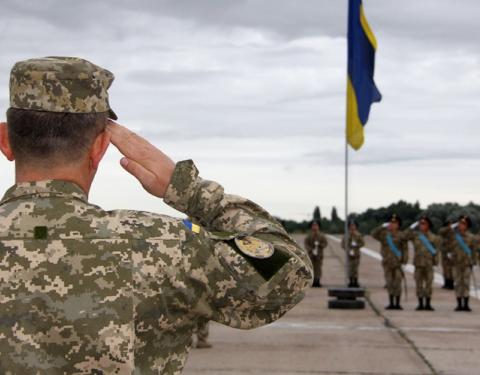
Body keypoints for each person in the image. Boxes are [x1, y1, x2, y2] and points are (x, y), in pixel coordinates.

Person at [0, 57, 313, 374]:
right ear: (100, 148)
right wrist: (189, 190)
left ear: (5, 140)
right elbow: (288, 274)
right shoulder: (161, 245)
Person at [404, 216, 440, 311]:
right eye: (420, 223)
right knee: (419, 284)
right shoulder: (415, 235)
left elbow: (436, 250)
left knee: (428, 285)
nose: (421, 225)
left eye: (423, 223)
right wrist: (411, 227)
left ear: (428, 225)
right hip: (418, 264)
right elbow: (404, 236)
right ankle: (420, 304)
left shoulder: (434, 237)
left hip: (429, 265)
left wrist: (436, 262)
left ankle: (428, 304)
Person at [371, 214, 408, 310]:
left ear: (398, 225)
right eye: (391, 222)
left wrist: (404, 262)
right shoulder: (384, 234)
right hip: (387, 263)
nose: (392, 224)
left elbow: (405, 249)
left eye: (395, 223)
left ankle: (397, 304)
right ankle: (391, 303)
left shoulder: (402, 235)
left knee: (397, 283)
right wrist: (382, 226)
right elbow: (373, 234)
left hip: (398, 264)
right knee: (390, 283)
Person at [447, 216, 477, 312]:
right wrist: (453, 226)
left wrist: (473, 262)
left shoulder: (471, 237)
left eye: (463, 223)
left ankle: (466, 305)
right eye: (460, 223)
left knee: (466, 283)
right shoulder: (454, 236)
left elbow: (474, 251)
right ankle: (459, 304)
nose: (461, 225)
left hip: (467, 264)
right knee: (457, 284)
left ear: (467, 225)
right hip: (456, 264)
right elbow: (446, 237)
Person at [304, 220, 328, 287]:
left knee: (318, 268)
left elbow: (325, 243)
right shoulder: (309, 236)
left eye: (316, 225)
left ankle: (318, 281)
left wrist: (320, 245)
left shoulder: (321, 236)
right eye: (313, 226)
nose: (314, 227)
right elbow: (306, 244)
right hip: (311, 255)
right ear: (311, 227)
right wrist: (310, 249)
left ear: (318, 227)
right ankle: (313, 281)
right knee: (312, 268)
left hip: (319, 255)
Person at [341, 220, 365, 287]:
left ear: (356, 226)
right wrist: (347, 248)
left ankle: (355, 281)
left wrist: (357, 245)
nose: (352, 227)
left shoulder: (359, 235)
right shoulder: (346, 235)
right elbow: (343, 244)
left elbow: (363, 243)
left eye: (353, 225)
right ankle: (351, 281)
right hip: (349, 255)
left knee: (355, 268)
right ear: (349, 227)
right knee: (349, 268)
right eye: (351, 226)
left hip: (356, 254)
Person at [438, 220, 456, 290]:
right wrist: (449, 228)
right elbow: (440, 232)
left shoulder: (454, 231)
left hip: (452, 252)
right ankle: (446, 283)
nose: (451, 226)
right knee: (445, 269)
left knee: (451, 269)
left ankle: (451, 284)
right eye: (449, 224)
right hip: (445, 253)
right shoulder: (444, 230)